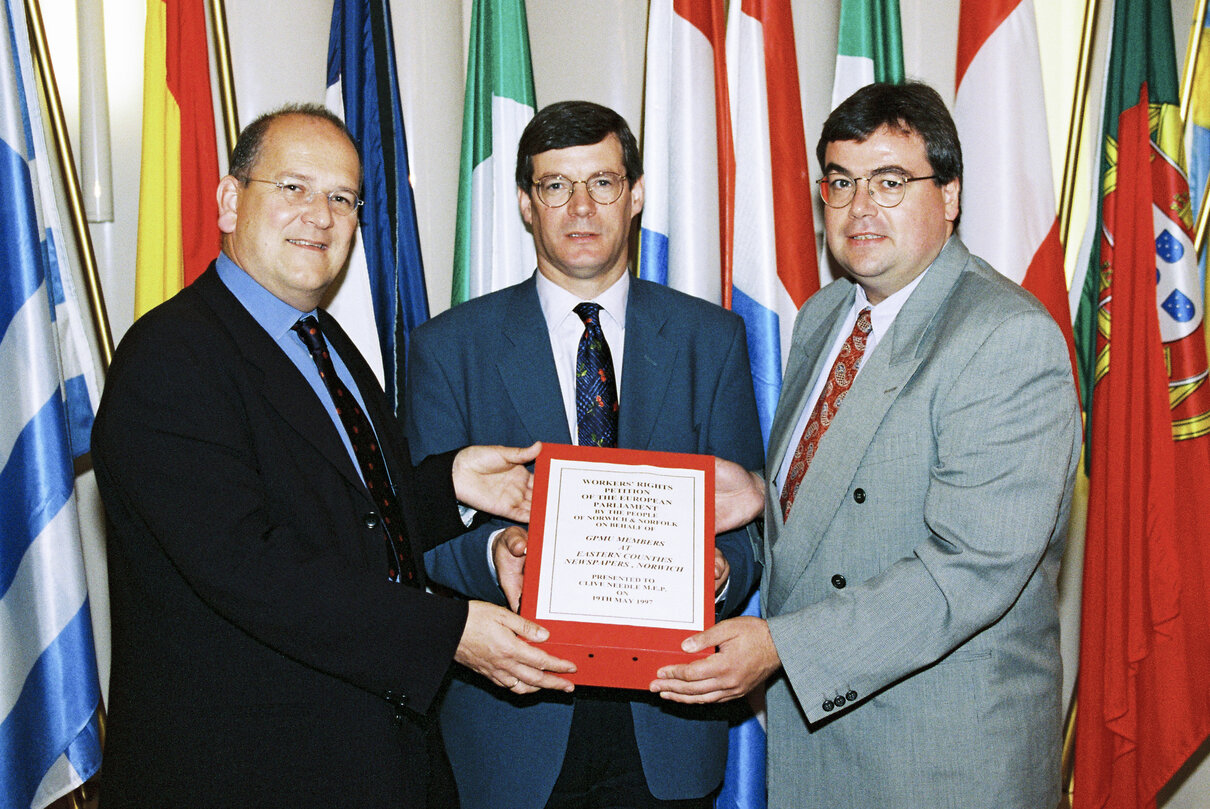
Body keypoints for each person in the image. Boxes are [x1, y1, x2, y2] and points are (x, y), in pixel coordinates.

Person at [91, 104, 578, 809]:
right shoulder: (170, 357)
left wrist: (450, 485)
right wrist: (450, 633)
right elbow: (249, 565)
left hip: (368, 758)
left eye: (342, 197)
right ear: (231, 200)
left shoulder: (325, 343)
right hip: (240, 773)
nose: (319, 215)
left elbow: (349, 510)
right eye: (293, 187)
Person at [650, 81, 1082, 809]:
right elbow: (848, 487)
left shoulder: (1005, 336)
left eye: (890, 181)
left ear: (949, 194)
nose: (859, 208)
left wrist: (781, 645)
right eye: (841, 182)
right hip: (825, 748)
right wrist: (762, 492)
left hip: (940, 758)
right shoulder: (825, 314)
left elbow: (969, 568)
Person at [404, 100, 765, 809]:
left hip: (669, 720)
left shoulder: (710, 339)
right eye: (554, 185)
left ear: (634, 196)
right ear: (523, 203)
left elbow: (751, 518)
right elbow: (420, 535)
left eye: (602, 182)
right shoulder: (448, 347)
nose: (580, 207)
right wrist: (493, 551)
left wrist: (720, 571)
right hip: (512, 728)